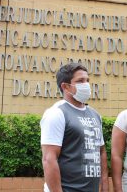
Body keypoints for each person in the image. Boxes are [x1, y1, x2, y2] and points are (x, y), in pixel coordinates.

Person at [40, 63, 109, 192]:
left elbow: (101, 151)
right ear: (65, 87)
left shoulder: (95, 115)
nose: (87, 84)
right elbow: (49, 159)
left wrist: (105, 186)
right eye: (80, 81)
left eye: (87, 80)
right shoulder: (56, 113)